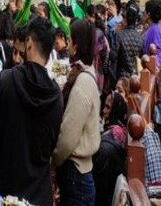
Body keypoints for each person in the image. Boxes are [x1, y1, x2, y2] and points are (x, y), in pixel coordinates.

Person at [0, 17, 63, 205]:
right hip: (38, 192)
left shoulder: (7, 80)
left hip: (6, 188)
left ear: (28, 43)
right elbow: (51, 146)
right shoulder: (56, 96)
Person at [52, 19, 101, 205]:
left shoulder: (83, 83)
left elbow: (68, 137)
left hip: (76, 175)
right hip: (77, 174)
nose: (68, 44)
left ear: (76, 45)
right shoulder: (82, 75)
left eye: (70, 40)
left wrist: (54, 160)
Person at [93, 91, 128, 206]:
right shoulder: (120, 130)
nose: (104, 111)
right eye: (104, 107)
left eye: (108, 108)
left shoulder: (106, 145)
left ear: (116, 110)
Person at [111, 2, 143, 78]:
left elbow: (112, 56)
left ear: (126, 19)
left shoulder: (120, 35)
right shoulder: (140, 38)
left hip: (121, 78)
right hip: (135, 78)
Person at [143, 0, 161, 67]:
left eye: (145, 11)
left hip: (151, 69)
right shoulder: (152, 28)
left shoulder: (155, 30)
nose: (143, 12)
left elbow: (158, 53)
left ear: (148, 15)